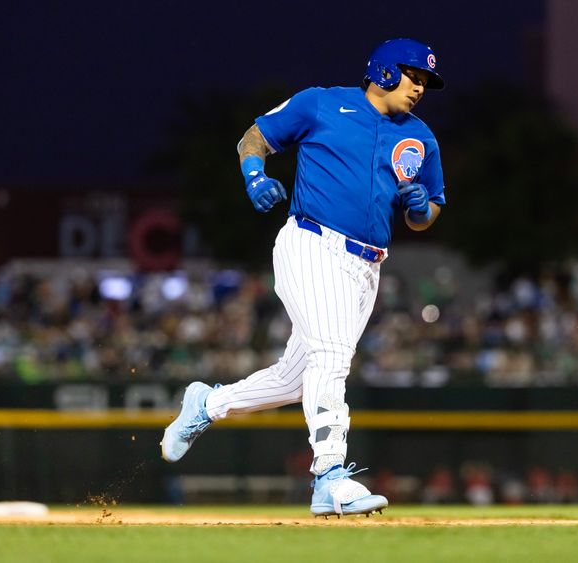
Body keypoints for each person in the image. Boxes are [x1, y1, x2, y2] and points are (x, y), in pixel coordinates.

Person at [161, 38, 446, 517]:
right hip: (313, 243)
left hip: (367, 267)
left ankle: (207, 403)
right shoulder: (321, 102)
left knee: (297, 378)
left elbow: (430, 210)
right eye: (413, 75)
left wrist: (423, 211)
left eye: (424, 82)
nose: (419, 88)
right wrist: (254, 176)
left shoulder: (421, 137)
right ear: (383, 71)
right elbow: (254, 138)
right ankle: (330, 475)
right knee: (332, 358)